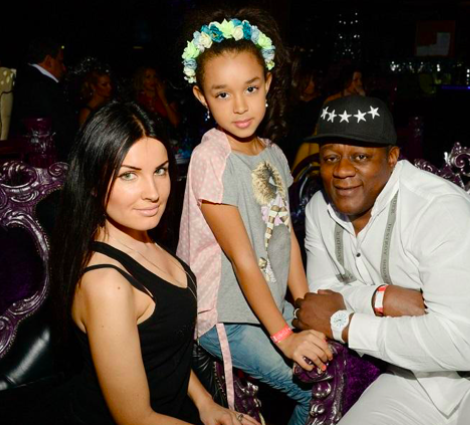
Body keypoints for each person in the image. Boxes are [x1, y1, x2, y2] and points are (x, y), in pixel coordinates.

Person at [0, 101, 258, 425]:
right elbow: (136, 418)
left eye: (160, 170)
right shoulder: (107, 284)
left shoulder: (141, 233)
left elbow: (164, 348)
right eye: (129, 175)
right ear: (94, 183)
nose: (153, 193)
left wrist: (207, 404)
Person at [293, 95, 470, 425]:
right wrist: (384, 298)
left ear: (392, 158)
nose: (342, 170)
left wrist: (343, 322)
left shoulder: (438, 208)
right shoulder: (319, 210)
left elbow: (460, 345)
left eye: (360, 156)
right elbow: (322, 299)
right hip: (414, 374)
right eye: (331, 157)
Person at [176, 8, 332, 425]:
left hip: (266, 305)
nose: (240, 106)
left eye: (250, 87)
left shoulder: (274, 153)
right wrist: (285, 337)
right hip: (224, 316)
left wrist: (306, 307)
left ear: (268, 83)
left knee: (337, 372)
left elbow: (285, 237)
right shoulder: (212, 157)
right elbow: (243, 258)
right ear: (202, 97)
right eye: (223, 94)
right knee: (317, 392)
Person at [11, 37, 75, 160]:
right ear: (49, 61)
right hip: (45, 162)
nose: (64, 68)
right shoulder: (47, 87)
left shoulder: (20, 79)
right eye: (60, 61)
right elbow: (63, 134)